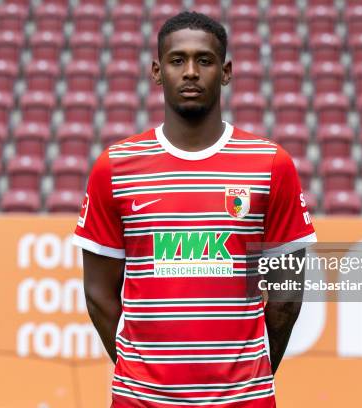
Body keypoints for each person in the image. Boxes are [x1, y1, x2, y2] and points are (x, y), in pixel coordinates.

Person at [73, 11, 316, 407]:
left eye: (204, 60)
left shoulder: (270, 164)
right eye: (177, 60)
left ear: (226, 71)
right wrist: (140, 374)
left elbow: (286, 298)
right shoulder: (114, 167)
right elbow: (99, 295)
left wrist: (251, 378)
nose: (190, 72)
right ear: (156, 71)